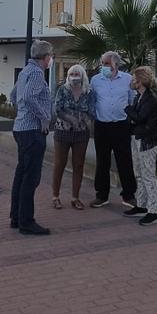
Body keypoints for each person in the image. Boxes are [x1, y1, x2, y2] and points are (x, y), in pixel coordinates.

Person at [9, 40, 54, 235]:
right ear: (45, 57)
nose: (51, 59)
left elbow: (13, 95)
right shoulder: (36, 72)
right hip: (32, 131)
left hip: (21, 128)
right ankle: (26, 221)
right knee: (31, 177)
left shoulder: (25, 70)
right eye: (50, 56)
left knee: (21, 174)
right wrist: (44, 116)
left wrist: (22, 113)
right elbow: (28, 97)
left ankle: (16, 216)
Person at [89, 51, 138, 209]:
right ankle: (102, 195)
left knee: (124, 160)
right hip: (102, 125)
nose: (103, 66)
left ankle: (129, 195)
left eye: (106, 64)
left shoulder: (127, 79)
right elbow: (92, 100)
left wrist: (129, 118)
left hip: (121, 125)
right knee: (102, 161)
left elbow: (132, 99)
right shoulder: (95, 80)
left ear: (116, 65)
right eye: (102, 63)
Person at [50, 65, 94, 211]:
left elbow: (92, 112)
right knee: (59, 164)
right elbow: (57, 109)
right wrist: (71, 119)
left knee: (78, 164)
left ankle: (75, 197)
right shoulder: (62, 90)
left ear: (82, 76)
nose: (74, 76)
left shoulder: (88, 92)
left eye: (77, 73)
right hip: (63, 132)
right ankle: (55, 196)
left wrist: (82, 120)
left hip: (81, 133)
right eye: (72, 73)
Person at [125, 66, 157, 226]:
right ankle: (141, 205)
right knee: (138, 173)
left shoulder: (151, 99)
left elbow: (140, 118)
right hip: (137, 138)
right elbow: (137, 118)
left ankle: (153, 211)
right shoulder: (138, 97)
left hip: (147, 141)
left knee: (148, 175)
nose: (132, 81)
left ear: (140, 81)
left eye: (134, 78)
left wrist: (128, 110)